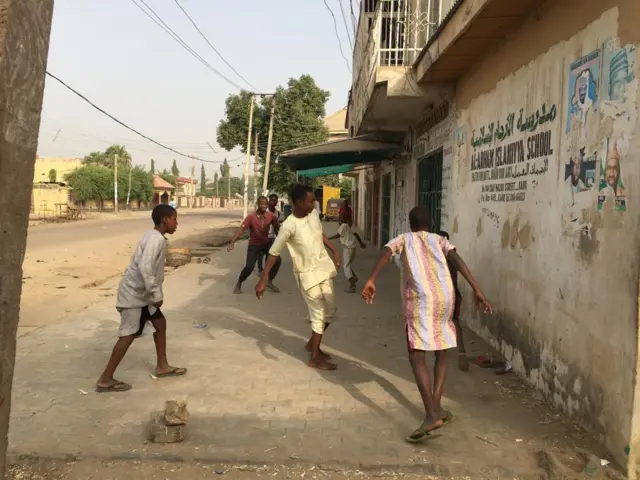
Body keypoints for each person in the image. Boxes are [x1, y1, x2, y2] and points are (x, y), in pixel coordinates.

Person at [362, 207, 492, 442]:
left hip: (420, 300)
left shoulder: (404, 238)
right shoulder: (440, 240)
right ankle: (438, 407)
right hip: (445, 297)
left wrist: (371, 279)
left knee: (416, 353)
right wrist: (478, 290)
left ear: (411, 224)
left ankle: (431, 414)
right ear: (429, 223)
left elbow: (385, 253)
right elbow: (458, 261)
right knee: (442, 350)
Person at [96, 205, 187, 393]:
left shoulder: (154, 236)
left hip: (142, 295)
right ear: (165, 220)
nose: (177, 223)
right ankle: (105, 379)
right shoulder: (155, 240)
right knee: (128, 334)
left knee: (160, 323)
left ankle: (162, 366)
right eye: (175, 219)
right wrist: (156, 294)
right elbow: (145, 268)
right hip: (134, 295)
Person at [256, 184, 342, 370]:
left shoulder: (313, 215)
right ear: (299, 203)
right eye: (311, 200)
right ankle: (314, 357)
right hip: (306, 275)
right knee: (318, 314)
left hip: (323, 269)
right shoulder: (288, 226)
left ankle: (312, 344)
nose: (314, 203)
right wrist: (263, 280)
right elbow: (274, 252)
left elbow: (319, 234)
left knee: (331, 311)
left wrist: (334, 250)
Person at [228, 196, 281, 294]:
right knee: (249, 267)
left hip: (266, 243)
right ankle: (239, 283)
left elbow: (277, 228)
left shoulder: (271, 216)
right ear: (257, 204)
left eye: (265, 204)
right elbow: (241, 230)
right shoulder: (251, 217)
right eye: (262, 204)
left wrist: (281, 241)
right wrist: (232, 242)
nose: (264, 206)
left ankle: (269, 281)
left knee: (277, 260)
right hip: (254, 245)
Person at [438, 230, 469, 372]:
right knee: (455, 322)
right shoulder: (453, 256)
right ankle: (461, 350)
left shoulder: (435, 257)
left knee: (437, 322)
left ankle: (440, 352)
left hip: (439, 295)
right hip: (454, 293)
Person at [328, 210, 366, 293]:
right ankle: (354, 277)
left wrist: (328, 239)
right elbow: (355, 234)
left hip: (348, 248)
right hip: (353, 248)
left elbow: (337, 235)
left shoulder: (343, 226)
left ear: (343, 218)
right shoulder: (348, 226)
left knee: (345, 266)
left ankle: (352, 286)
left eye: (340, 216)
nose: (339, 216)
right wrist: (361, 244)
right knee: (347, 264)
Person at [257, 193, 281, 275]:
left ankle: (266, 270)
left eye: (276, 200)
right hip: (262, 236)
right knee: (260, 254)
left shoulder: (277, 213)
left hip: (271, 237)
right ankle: (260, 269)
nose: (274, 202)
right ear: (269, 201)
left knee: (269, 254)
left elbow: (276, 226)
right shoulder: (264, 211)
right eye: (272, 200)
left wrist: (278, 237)